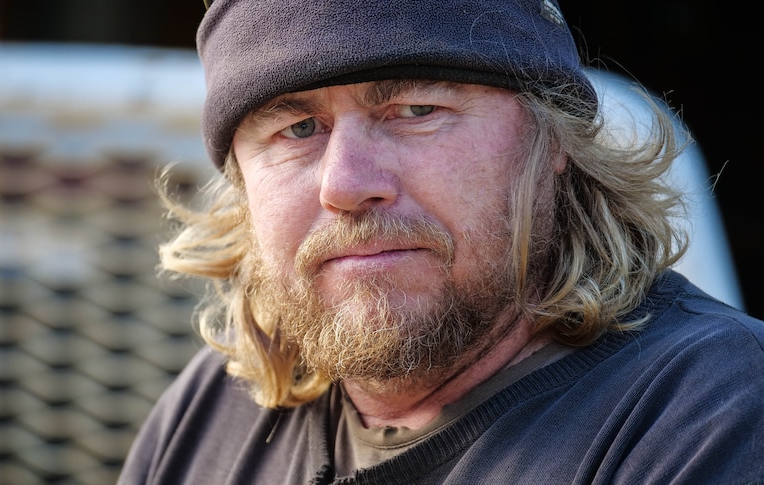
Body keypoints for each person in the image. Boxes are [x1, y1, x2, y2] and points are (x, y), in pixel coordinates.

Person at [119, 0, 764, 483]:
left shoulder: (709, 412)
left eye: (417, 111)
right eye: (297, 127)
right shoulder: (210, 409)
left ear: (554, 143)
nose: (345, 185)